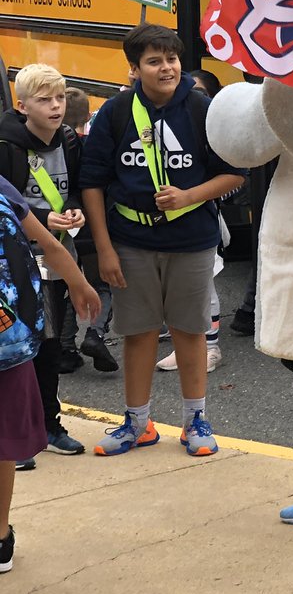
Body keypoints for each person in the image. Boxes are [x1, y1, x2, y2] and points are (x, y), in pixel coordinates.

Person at [79, 24, 245, 457]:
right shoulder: (114, 114)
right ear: (134, 69)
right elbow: (93, 183)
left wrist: (188, 196)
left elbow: (234, 172)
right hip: (130, 240)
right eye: (153, 61)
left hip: (192, 239)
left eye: (171, 59)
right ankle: (137, 422)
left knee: (190, 330)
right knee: (139, 332)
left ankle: (195, 419)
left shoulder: (201, 108)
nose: (166, 67)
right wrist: (105, 248)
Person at [0, 176, 101, 572]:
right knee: (4, 440)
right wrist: (78, 282)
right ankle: (1, 538)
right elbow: (48, 242)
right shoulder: (3, 188)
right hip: (8, 339)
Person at [0, 65, 96, 460]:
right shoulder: (6, 144)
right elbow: (8, 209)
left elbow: (72, 190)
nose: (56, 107)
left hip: (58, 257)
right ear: (22, 107)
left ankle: (50, 425)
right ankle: (20, 438)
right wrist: (42, 221)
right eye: (44, 100)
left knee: (52, 344)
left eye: (59, 98)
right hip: (18, 264)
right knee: (20, 349)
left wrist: (74, 213)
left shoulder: (69, 140)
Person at [156, 70, 225, 374]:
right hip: (165, 221)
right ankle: (185, 340)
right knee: (174, 288)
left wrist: (190, 196)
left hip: (199, 216)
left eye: (199, 92)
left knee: (202, 285)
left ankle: (210, 348)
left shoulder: (207, 125)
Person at [59, 86, 117, 374]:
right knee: (102, 284)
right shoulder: (94, 145)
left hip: (63, 226)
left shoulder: (54, 148)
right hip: (92, 225)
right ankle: (95, 334)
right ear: (86, 116)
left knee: (71, 285)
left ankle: (65, 347)